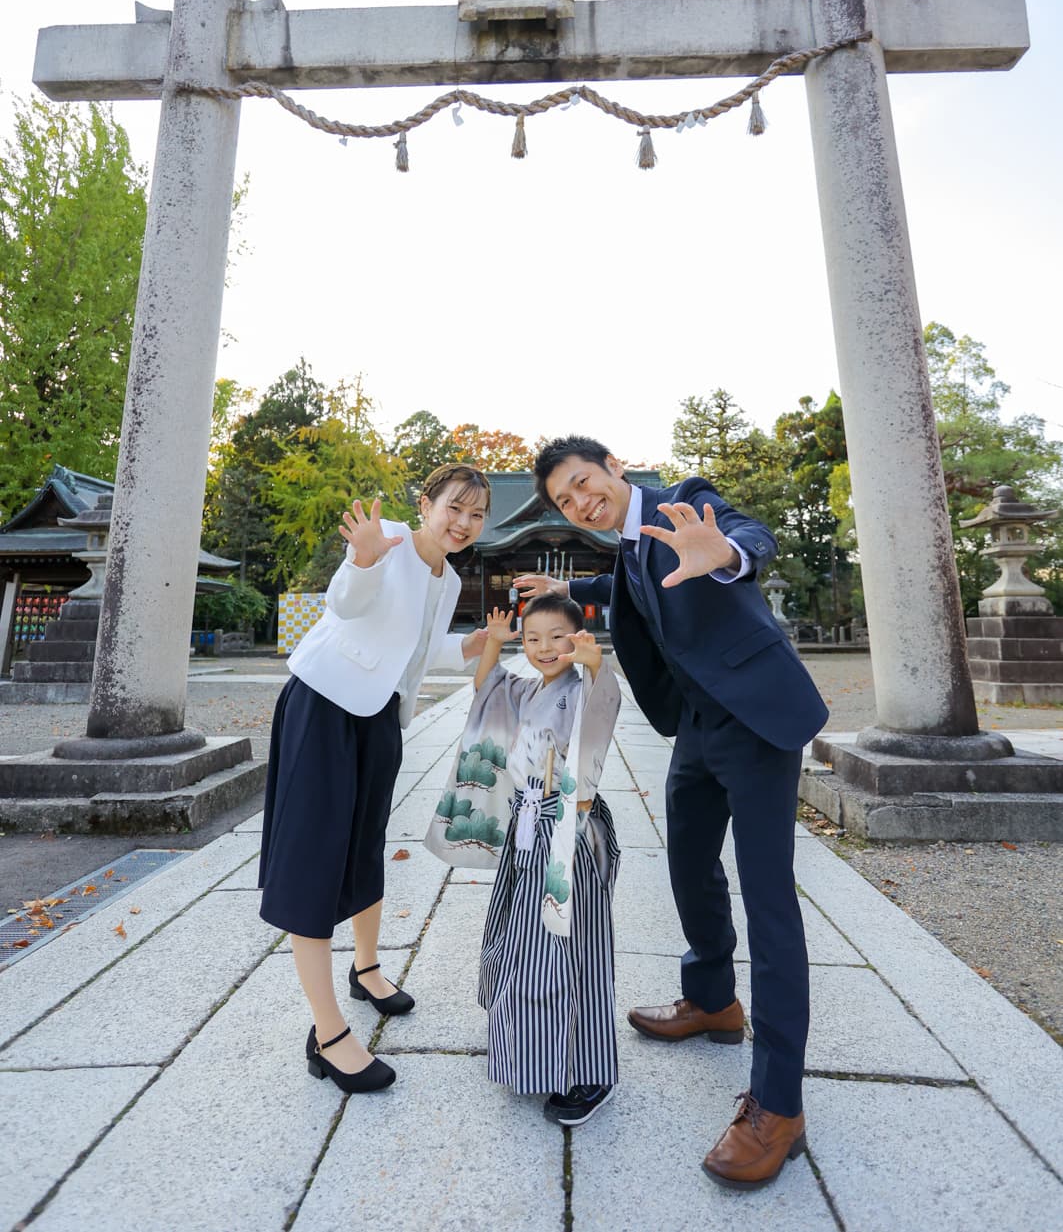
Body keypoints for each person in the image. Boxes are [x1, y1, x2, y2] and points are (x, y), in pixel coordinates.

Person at [515, 436, 828, 1189]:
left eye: (585, 483)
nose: (581, 502)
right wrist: (565, 588)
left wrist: (726, 552)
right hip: (696, 727)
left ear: (615, 468)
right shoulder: (626, 549)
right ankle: (714, 1000)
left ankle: (778, 1104)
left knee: (767, 898)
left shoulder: (685, 501)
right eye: (565, 499)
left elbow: (747, 535)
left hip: (755, 721)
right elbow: (627, 582)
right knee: (687, 864)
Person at [258, 464, 491, 1094]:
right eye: (454, 507)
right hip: (325, 703)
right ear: (426, 503)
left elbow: (416, 649)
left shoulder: (448, 577)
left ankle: (366, 969)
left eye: (476, 515)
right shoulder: (386, 540)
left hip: (380, 716)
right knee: (314, 857)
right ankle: (328, 1033)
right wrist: (361, 560)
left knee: (365, 845)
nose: (463, 523)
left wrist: (471, 646)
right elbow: (345, 603)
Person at [425, 594, 621, 1126]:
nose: (544, 648)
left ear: (577, 637)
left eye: (557, 636)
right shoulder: (527, 689)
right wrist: (494, 642)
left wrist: (595, 663)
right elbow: (485, 687)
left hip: (566, 830)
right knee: (524, 942)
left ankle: (590, 1070)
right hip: (527, 828)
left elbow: (605, 701)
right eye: (533, 639)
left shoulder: (582, 690)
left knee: (568, 947)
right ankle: (529, 1050)